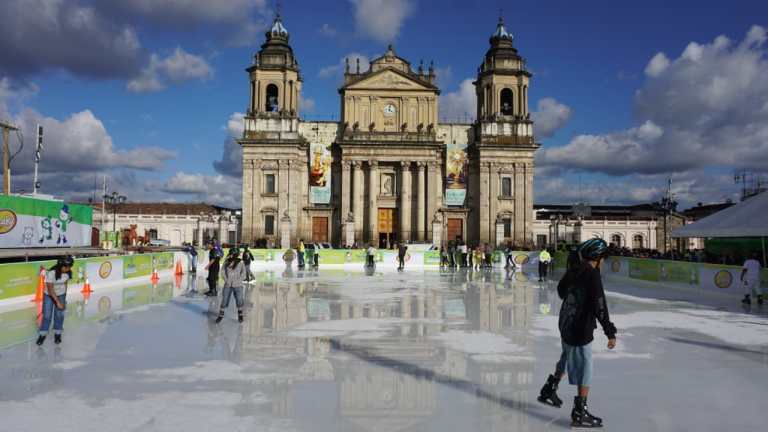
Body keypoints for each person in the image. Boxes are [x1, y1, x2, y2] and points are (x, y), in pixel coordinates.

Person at [537, 238, 617, 429]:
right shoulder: (592, 274)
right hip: (580, 328)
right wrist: (610, 331)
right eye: (603, 258)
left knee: (567, 355)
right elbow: (600, 306)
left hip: (565, 322)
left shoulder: (574, 270)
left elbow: (560, 291)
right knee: (585, 368)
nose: (603, 262)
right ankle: (580, 411)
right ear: (597, 257)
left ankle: (550, 388)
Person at [36, 256, 74, 346]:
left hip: (61, 294)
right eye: (67, 267)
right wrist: (58, 302)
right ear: (61, 266)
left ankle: (58, 333)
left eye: (70, 267)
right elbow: (50, 290)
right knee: (47, 315)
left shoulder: (68, 273)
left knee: (59, 314)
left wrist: (63, 298)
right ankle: (42, 334)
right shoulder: (51, 274)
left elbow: (65, 284)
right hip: (49, 295)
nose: (69, 269)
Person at [215, 249, 246, 323]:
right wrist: (226, 280)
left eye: (232, 254)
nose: (230, 255)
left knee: (239, 299)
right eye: (230, 254)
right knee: (224, 299)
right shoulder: (226, 261)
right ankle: (221, 314)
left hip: (238, 285)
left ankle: (240, 314)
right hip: (228, 285)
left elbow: (244, 272)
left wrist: (239, 280)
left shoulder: (241, 262)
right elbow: (222, 271)